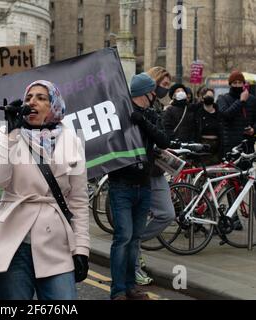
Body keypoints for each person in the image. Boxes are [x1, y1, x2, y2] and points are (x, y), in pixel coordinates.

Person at [0, 80, 90, 300]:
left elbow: (78, 200)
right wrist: (10, 135)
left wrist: (82, 249)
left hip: (56, 245)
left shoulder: (72, 141)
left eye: (41, 97)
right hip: (13, 245)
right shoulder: (6, 135)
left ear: (55, 106)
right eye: (29, 97)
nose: (32, 102)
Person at [108, 73, 170, 300]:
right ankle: (118, 291)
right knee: (123, 237)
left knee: (134, 239)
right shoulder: (120, 114)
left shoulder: (151, 115)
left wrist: (144, 122)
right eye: (153, 91)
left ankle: (131, 286)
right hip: (121, 184)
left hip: (144, 185)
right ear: (146, 92)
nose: (156, 95)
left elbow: (164, 140)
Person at [133, 67, 174, 286]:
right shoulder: (140, 106)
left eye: (168, 86)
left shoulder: (158, 107)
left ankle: (135, 241)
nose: (164, 89)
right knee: (135, 218)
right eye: (163, 85)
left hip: (156, 170)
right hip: (139, 170)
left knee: (167, 214)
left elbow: (161, 137)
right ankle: (134, 262)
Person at [217, 70, 256, 160]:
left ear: (243, 84)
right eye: (235, 83)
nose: (237, 85)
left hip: (247, 144)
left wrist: (253, 129)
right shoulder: (223, 98)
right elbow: (226, 115)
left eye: (240, 83)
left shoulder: (252, 99)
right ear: (230, 84)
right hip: (230, 145)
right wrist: (241, 101)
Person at [194, 87, 222, 165]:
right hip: (202, 146)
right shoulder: (197, 111)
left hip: (216, 147)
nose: (209, 98)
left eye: (211, 96)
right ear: (202, 98)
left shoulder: (219, 112)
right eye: (207, 96)